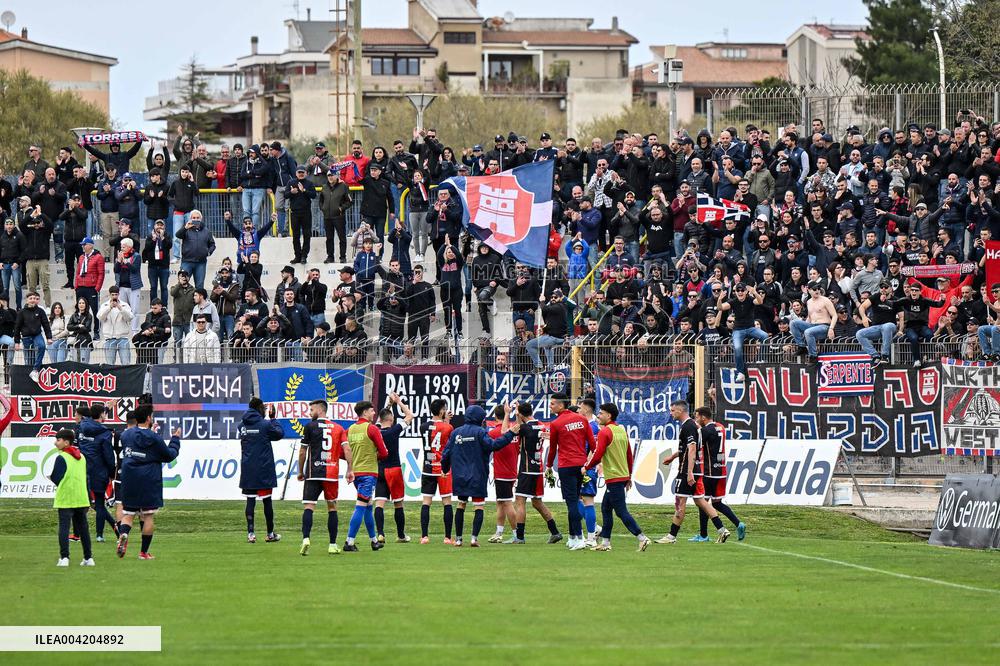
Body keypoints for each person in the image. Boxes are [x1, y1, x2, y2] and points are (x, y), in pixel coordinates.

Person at [441, 404, 519, 548]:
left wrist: (445, 469)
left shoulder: (456, 432)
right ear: (479, 418)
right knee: (479, 507)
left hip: (460, 476)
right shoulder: (480, 432)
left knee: (461, 505)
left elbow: (446, 453)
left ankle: (458, 539)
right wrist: (510, 434)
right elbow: (494, 445)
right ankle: (473, 539)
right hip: (478, 475)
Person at [657, 400, 730, 544]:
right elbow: (688, 448)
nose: (671, 413)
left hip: (686, 471)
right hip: (696, 470)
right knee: (700, 501)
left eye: (672, 411)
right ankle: (722, 530)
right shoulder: (693, 426)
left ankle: (671, 536)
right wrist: (672, 457)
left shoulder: (688, 426)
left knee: (680, 501)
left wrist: (689, 472)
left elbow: (691, 449)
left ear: (680, 411)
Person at [116, 404, 181, 560]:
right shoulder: (154, 438)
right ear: (148, 418)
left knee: (128, 514)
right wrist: (176, 439)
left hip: (129, 477)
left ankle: (124, 533)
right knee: (148, 516)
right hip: (148, 479)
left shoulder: (126, 435)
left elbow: (136, 445)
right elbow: (169, 455)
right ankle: (143, 552)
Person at [586, 402, 650, 552]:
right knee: (606, 508)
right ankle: (606, 543)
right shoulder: (621, 431)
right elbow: (629, 455)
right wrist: (629, 476)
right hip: (621, 476)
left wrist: (586, 467)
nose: (598, 415)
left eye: (601, 413)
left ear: (609, 415)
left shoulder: (605, 432)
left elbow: (598, 454)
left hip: (614, 477)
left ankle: (642, 537)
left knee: (621, 511)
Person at [296, 399, 352, 555]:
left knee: (309, 506)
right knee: (332, 508)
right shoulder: (339, 428)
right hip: (331, 474)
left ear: (321, 410)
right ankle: (332, 544)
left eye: (312, 410)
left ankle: (306, 538)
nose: (310, 413)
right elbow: (347, 450)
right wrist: (350, 469)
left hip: (313, 474)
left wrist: (301, 471)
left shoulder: (309, 427)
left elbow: (302, 452)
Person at [545, 393, 596, 550]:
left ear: (561, 405)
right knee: (573, 500)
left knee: (572, 502)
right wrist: (592, 462)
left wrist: (548, 466)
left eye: (552, 404)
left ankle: (580, 538)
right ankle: (573, 537)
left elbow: (553, 448)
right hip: (581, 466)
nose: (550, 406)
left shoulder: (556, 424)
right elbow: (593, 444)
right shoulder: (582, 419)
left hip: (566, 465)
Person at [510, 402, 563, 544]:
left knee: (520, 501)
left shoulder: (523, 428)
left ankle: (519, 537)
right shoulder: (541, 425)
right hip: (538, 469)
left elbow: (514, 430)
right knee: (537, 502)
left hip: (527, 469)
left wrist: (516, 416)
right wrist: (520, 414)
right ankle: (555, 532)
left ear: (520, 414)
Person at [692, 406, 746, 542]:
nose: (696, 419)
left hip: (709, 472)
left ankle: (703, 535)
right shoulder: (720, 427)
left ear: (703, 417)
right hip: (721, 471)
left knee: (703, 502)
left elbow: (695, 447)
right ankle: (738, 523)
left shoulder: (705, 430)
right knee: (716, 503)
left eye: (697, 417)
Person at [343, 401, 389, 552]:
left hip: (356, 473)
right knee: (361, 507)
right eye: (371, 411)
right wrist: (372, 456)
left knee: (368, 506)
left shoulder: (349, 430)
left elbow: (343, 452)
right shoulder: (372, 429)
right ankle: (349, 542)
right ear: (364, 412)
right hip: (369, 473)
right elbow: (384, 452)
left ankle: (374, 541)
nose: (374, 413)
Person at [238, 397, 285, 544]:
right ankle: (270, 534)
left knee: (250, 501)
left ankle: (250, 534)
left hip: (248, 469)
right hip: (264, 469)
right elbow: (279, 434)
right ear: (259, 408)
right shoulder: (265, 425)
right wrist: (273, 419)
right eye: (263, 409)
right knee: (267, 501)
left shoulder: (241, 425)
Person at [374, 392, 415, 544]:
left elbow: (381, 417)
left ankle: (380, 533)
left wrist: (389, 405)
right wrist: (398, 402)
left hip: (379, 469)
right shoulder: (394, 430)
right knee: (398, 503)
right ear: (391, 420)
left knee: (379, 503)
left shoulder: (375, 431)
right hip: (394, 469)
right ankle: (401, 535)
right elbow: (410, 415)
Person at [51, 429, 95, 567]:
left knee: (64, 528)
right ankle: (88, 558)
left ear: (66, 442)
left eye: (58, 440)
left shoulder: (61, 457)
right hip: (81, 497)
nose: (55, 443)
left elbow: (55, 477)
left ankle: (64, 558)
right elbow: (85, 478)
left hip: (66, 497)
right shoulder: (82, 457)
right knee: (83, 529)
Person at [77, 404, 117, 542]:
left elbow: (92, 417)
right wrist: (112, 472)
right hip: (98, 472)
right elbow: (109, 456)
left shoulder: (83, 426)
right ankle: (99, 535)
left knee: (82, 505)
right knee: (99, 504)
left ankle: (78, 534)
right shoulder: (104, 433)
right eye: (104, 414)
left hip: (82, 471)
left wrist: (105, 408)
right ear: (101, 415)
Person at [419, 399, 455, 544]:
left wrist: (444, 420)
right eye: (445, 408)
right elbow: (448, 445)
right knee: (446, 502)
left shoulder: (423, 426)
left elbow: (434, 430)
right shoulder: (449, 428)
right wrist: (446, 422)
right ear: (441, 411)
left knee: (426, 502)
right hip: (442, 469)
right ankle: (447, 537)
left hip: (427, 467)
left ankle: (424, 537)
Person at [717, 283, 768, 381]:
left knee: (765, 336)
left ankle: (761, 359)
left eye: (742, 290)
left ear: (746, 291)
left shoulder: (750, 299)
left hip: (751, 328)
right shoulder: (733, 301)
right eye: (738, 290)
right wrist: (719, 299)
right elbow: (720, 308)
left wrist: (754, 292)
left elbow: (760, 301)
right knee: (737, 348)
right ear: (735, 292)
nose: (740, 292)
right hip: (738, 330)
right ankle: (741, 372)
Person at [486, 405, 519, 543]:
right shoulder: (516, 431)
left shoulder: (494, 433)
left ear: (495, 417)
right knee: (500, 502)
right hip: (511, 470)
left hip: (502, 472)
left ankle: (517, 534)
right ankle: (499, 533)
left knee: (507, 502)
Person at [895, 282, 946, 367]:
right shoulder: (905, 300)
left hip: (922, 326)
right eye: (912, 290)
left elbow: (938, 304)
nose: (914, 292)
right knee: (914, 338)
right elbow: (893, 303)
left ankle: (929, 357)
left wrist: (943, 300)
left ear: (920, 291)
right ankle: (917, 360)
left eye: (916, 290)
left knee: (930, 335)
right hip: (910, 327)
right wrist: (884, 300)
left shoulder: (924, 301)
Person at [576, 398, 602, 546]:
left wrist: (586, 467)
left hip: (587, 468)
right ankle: (595, 529)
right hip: (586, 467)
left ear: (586, 409)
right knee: (578, 499)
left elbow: (592, 449)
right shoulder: (592, 426)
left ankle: (591, 538)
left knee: (587, 501)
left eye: (580, 408)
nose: (578, 410)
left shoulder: (591, 427)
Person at [791, 283, 837, 364]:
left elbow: (834, 315)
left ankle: (813, 356)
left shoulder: (825, 300)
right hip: (812, 325)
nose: (817, 291)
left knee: (808, 332)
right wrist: (803, 327)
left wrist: (831, 328)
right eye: (815, 289)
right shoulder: (809, 302)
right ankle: (802, 346)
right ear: (809, 290)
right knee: (793, 323)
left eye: (819, 288)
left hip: (824, 326)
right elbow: (809, 317)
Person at [857, 281, 901, 365]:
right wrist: (864, 317)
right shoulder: (875, 296)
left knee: (886, 327)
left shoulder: (895, 299)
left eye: (886, 287)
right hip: (877, 327)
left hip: (891, 326)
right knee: (859, 334)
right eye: (881, 287)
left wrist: (901, 330)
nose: (883, 289)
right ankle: (875, 355)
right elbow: (862, 307)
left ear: (891, 288)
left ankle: (885, 356)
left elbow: (902, 317)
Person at [14, 291, 51, 381]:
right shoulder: (21, 312)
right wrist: (17, 342)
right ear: (27, 300)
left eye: (34, 298)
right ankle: (29, 381)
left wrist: (49, 337)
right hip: (26, 337)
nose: (33, 300)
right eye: (30, 298)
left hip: (37, 335)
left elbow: (46, 324)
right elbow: (17, 327)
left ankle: (35, 371)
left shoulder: (40, 311)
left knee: (42, 346)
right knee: (29, 360)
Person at [175, 209, 216, 290]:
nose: (196, 219)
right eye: (193, 217)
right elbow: (178, 235)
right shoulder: (186, 229)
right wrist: (185, 227)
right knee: (182, 285)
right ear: (190, 219)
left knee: (199, 287)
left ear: (201, 219)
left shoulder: (206, 231)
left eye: (197, 218)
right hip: (187, 261)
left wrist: (208, 252)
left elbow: (212, 244)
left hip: (201, 263)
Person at [319, 167, 352, 263]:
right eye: (329, 175)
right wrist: (323, 208)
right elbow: (321, 200)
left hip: (339, 217)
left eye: (332, 175)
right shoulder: (324, 187)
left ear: (337, 176)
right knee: (329, 238)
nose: (330, 177)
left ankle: (342, 257)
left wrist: (341, 208)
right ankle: (330, 257)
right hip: (327, 217)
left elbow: (349, 201)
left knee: (342, 237)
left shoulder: (344, 186)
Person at [287, 165, 316, 264]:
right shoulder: (291, 182)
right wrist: (291, 192)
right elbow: (286, 195)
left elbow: (314, 195)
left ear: (306, 173)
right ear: (296, 174)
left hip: (306, 213)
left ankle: (304, 256)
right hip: (295, 213)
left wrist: (304, 190)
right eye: (299, 172)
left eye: (302, 172)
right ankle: (297, 256)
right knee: (295, 236)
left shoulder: (309, 183)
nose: (301, 174)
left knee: (307, 235)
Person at [98, 286, 133, 365]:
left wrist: (120, 308)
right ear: (109, 295)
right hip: (109, 338)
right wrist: (109, 308)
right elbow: (100, 317)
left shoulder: (124, 305)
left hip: (122, 338)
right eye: (113, 294)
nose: (114, 296)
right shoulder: (105, 305)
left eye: (116, 294)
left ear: (119, 295)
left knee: (126, 363)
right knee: (110, 364)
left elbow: (130, 318)